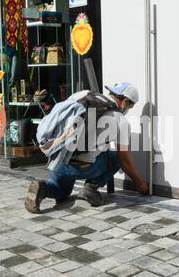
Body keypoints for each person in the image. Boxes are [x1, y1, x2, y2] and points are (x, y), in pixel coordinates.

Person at [25, 83, 149, 213]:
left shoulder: (83, 94)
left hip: (58, 159)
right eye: (131, 105)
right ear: (124, 102)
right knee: (115, 157)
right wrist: (139, 182)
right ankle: (91, 188)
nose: (129, 108)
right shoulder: (121, 120)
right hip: (83, 168)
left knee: (60, 190)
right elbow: (124, 160)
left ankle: (43, 187)